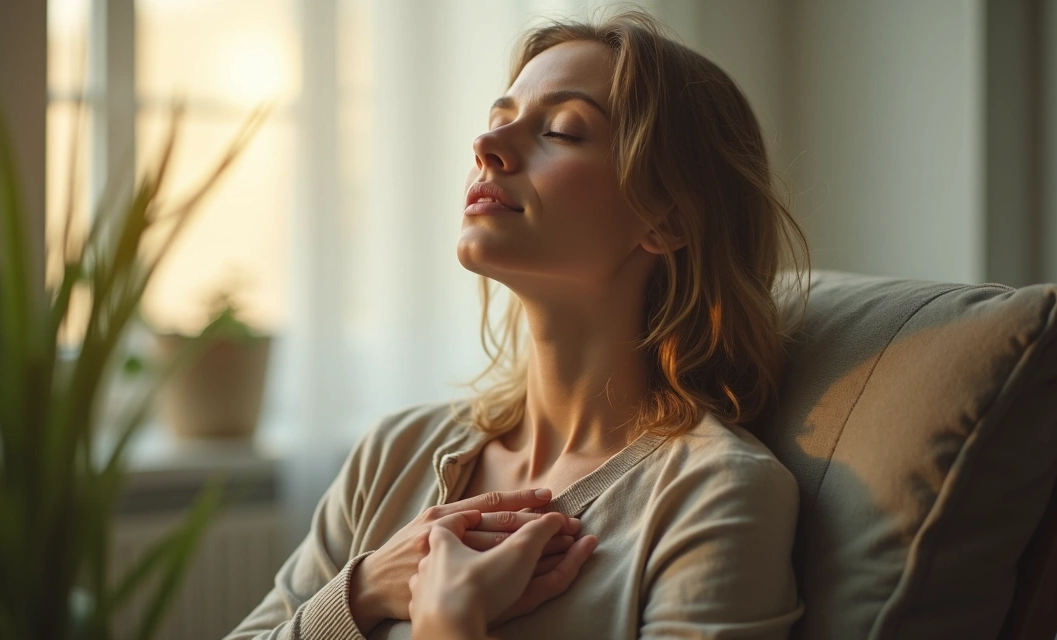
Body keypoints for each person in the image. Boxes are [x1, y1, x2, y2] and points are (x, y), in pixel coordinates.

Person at [226, 8, 808, 640]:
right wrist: (361, 593)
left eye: (561, 130)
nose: (485, 146)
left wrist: (448, 622)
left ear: (666, 219)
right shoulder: (394, 456)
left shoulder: (715, 496)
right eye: (499, 121)